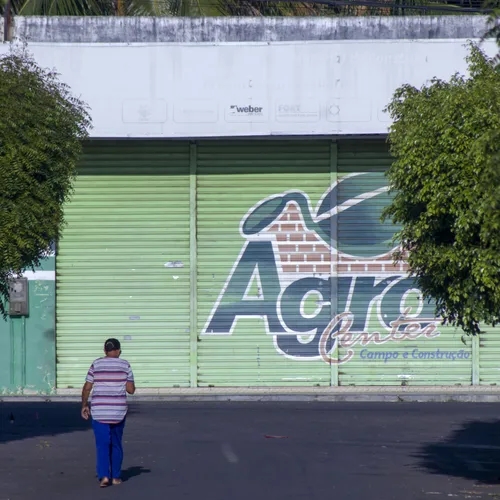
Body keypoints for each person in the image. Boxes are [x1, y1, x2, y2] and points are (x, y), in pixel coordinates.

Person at [81, 338, 135, 488]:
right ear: (119, 350)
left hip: (99, 412)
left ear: (105, 351)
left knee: (102, 445)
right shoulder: (125, 365)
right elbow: (131, 390)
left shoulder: (96, 364)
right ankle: (116, 477)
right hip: (118, 412)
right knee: (116, 444)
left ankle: (104, 476)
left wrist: (84, 405)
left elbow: (87, 387)